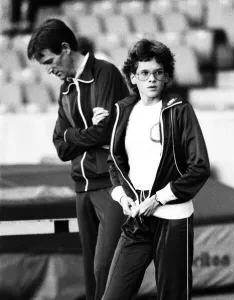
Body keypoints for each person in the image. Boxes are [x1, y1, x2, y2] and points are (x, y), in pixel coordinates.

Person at [27, 18, 129, 300]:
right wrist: (79, 135)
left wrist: (73, 135)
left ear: (64, 48)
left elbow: (105, 131)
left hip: (111, 185)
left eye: (49, 61)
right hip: (82, 188)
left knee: (105, 269)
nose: (49, 70)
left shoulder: (104, 74)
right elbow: (60, 147)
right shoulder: (66, 89)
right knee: (91, 275)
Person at [102, 39, 210, 300]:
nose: (151, 79)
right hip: (137, 217)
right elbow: (115, 160)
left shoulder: (180, 112)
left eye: (158, 73)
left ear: (167, 77)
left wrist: (159, 198)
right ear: (133, 77)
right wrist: (121, 196)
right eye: (144, 73)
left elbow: (200, 167)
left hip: (174, 219)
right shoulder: (123, 111)